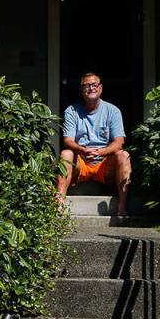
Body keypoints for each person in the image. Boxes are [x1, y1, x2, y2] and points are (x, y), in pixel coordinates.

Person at [57, 71, 132, 217]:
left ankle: (122, 208)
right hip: (81, 162)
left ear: (100, 88)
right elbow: (68, 140)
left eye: (94, 85)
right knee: (66, 153)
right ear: (81, 90)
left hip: (104, 164)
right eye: (86, 85)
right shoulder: (72, 111)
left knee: (123, 155)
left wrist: (101, 152)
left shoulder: (112, 111)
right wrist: (82, 150)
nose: (90, 88)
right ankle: (59, 206)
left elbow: (119, 142)